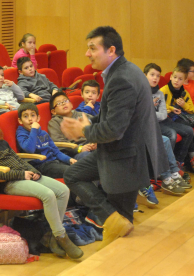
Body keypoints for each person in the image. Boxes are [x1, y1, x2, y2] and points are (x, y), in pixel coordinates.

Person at [61, 26, 168, 250]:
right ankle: (110, 218)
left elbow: (114, 130)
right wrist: (89, 125)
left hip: (126, 157)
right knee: (73, 175)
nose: (87, 53)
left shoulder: (121, 79)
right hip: (120, 152)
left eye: (92, 48)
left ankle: (114, 229)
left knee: (121, 235)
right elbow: (113, 119)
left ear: (111, 50)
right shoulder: (126, 70)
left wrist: (84, 131)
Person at [0, 108, 83, 259]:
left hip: (25, 176)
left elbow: (17, 160)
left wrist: (33, 172)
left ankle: (50, 236)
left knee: (63, 190)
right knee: (48, 194)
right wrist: (22, 174)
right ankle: (61, 236)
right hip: (10, 183)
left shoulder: (1, 142)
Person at [145, 63, 194, 170]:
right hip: (150, 123)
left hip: (163, 120)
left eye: (158, 76)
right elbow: (143, 114)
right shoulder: (141, 92)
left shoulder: (159, 93)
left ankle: (178, 162)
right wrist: (151, 108)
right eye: (152, 75)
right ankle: (165, 167)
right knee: (171, 134)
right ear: (145, 75)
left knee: (189, 131)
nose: (155, 78)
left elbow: (162, 114)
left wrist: (154, 111)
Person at [16, 103, 76, 177]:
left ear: (38, 118)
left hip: (54, 161)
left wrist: (69, 159)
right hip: (41, 165)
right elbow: (30, 149)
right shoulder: (21, 134)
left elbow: (56, 151)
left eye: (32, 115)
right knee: (73, 171)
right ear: (20, 120)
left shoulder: (43, 133)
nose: (30, 119)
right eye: (25, 116)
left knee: (79, 167)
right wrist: (34, 130)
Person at [48, 91, 96, 160]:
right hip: (75, 152)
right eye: (59, 103)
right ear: (53, 111)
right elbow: (59, 142)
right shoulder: (54, 122)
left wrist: (95, 142)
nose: (63, 103)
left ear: (71, 104)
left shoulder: (82, 114)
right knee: (89, 156)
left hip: (93, 144)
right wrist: (79, 148)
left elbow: (96, 126)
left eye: (65, 101)